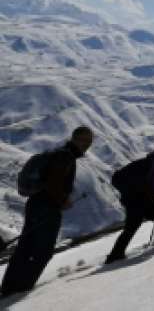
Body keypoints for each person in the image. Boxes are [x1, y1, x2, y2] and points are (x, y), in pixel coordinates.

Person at [1, 127, 93, 298]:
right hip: (47, 207)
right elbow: (54, 183)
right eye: (83, 140)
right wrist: (63, 201)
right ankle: (21, 290)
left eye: (89, 141)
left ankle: (8, 288)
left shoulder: (59, 153)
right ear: (74, 138)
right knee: (43, 251)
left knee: (25, 247)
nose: (86, 144)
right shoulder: (65, 157)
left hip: (35, 203)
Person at [106, 144, 154, 264]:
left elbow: (153, 181)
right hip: (135, 192)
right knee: (135, 222)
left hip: (132, 190)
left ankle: (116, 254)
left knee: (135, 222)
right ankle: (114, 256)